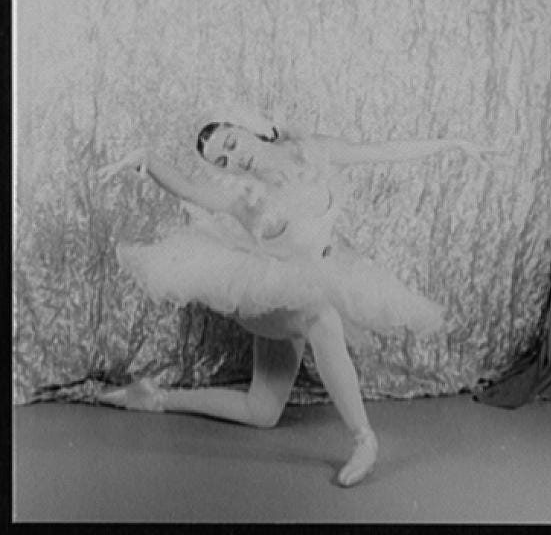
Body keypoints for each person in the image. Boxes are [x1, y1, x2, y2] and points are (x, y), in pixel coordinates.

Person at [98, 111, 496, 487]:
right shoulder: (242, 199)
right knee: (321, 318)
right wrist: (147, 159)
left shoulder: (315, 152)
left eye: (233, 144)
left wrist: (452, 143)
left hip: (317, 279)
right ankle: (364, 439)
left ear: (251, 126)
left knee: (262, 411)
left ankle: (153, 398)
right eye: (223, 160)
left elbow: (382, 150)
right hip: (269, 299)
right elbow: (187, 189)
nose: (235, 160)